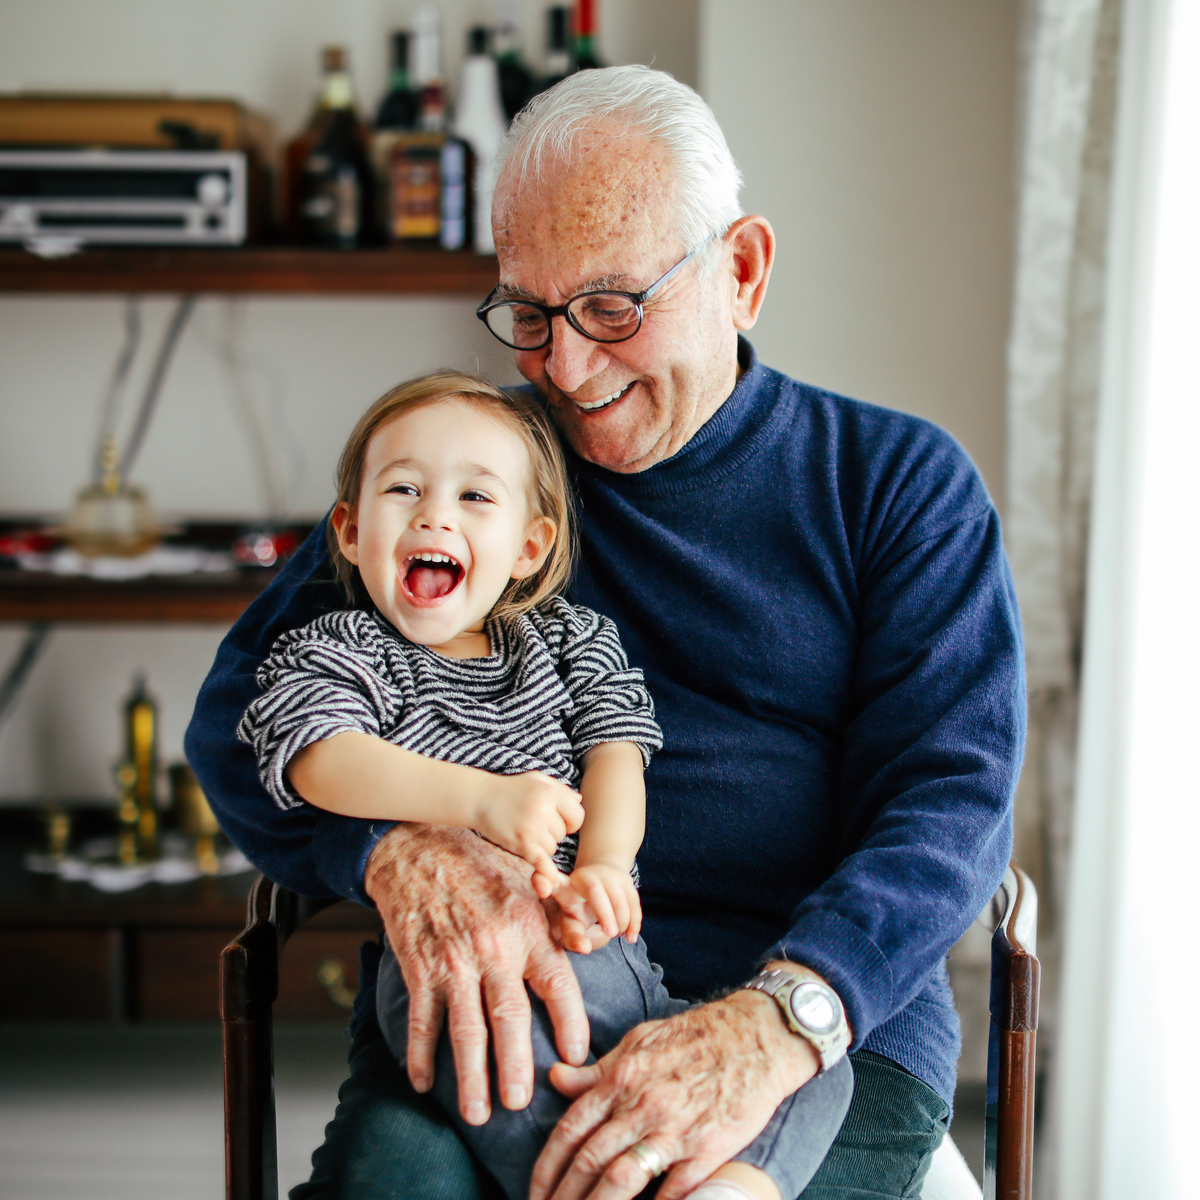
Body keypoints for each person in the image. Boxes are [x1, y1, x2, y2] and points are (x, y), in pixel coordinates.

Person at [186, 66, 1024, 1200]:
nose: (565, 371)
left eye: (613, 308)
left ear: (741, 272)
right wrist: (393, 849)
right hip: (509, 999)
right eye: (528, 313)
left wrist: (775, 1026)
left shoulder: (896, 485)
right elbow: (244, 717)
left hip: (811, 1021)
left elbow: (951, 803)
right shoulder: (476, 478)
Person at [235, 371, 852, 1200]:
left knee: (816, 1067)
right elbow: (320, 757)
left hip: (616, 965)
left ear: (529, 546)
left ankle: (733, 1188)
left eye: (474, 497)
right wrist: (479, 801)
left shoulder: (568, 641)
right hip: (461, 971)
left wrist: (602, 863)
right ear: (348, 531)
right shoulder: (346, 649)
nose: (435, 514)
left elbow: (618, 755)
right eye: (404, 488)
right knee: (502, 1071)